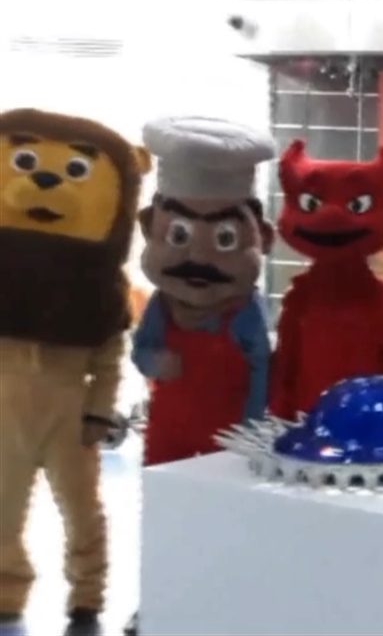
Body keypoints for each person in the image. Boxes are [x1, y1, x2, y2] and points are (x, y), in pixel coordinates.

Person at [0, 109, 149, 633]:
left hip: (70, 411)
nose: (45, 179)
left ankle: (87, 598)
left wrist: (99, 413)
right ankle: (6, 596)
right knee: (1, 510)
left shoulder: (101, 289)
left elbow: (109, 356)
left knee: (83, 513)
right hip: (5, 409)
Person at [132, 116, 275, 465]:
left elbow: (261, 368)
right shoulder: (162, 305)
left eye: (225, 238)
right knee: (163, 490)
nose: (198, 257)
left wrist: (252, 428)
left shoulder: (245, 310)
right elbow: (141, 350)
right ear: (149, 227)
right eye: (179, 235)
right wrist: (154, 361)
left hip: (229, 434)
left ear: (264, 238)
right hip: (168, 428)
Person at [269, 140, 383, 417]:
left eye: (357, 205)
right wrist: (279, 413)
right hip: (306, 420)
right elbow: (286, 361)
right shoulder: (299, 299)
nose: (331, 214)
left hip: (364, 422)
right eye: (312, 204)